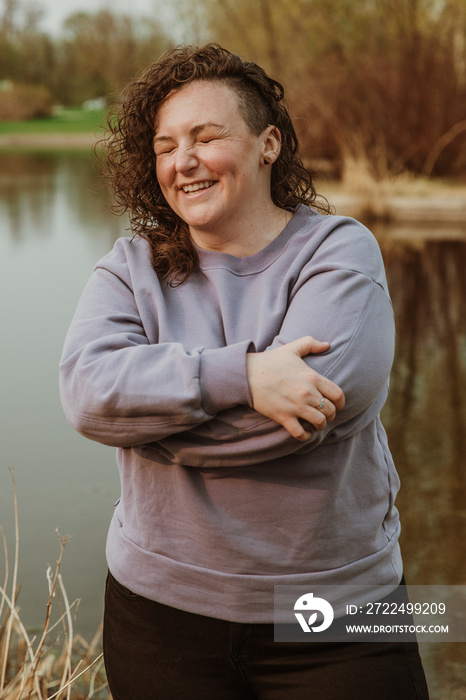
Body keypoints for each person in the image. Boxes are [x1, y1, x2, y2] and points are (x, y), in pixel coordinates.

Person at [59, 44, 429, 699]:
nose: (184, 161)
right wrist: (247, 377)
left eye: (206, 136)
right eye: (166, 145)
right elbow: (88, 396)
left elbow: (309, 418)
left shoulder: (340, 252)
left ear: (268, 144)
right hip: (158, 619)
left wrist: (149, 423)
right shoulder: (129, 269)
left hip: (338, 619)